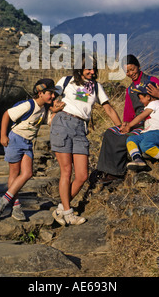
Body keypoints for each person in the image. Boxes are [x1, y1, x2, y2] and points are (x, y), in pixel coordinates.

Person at [50, 55, 121, 226]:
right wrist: (53, 107)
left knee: (82, 175)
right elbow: (50, 100)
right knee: (66, 171)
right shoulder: (66, 81)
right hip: (63, 123)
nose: (91, 71)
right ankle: (68, 213)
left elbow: (108, 109)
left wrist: (121, 127)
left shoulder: (96, 87)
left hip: (81, 128)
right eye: (88, 68)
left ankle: (60, 209)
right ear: (80, 68)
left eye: (94, 68)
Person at [0, 78, 64, 221]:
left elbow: (50, 122)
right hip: (15, 139)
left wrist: (56, 111)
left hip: (27, 143)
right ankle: (16, 206)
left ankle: (3, 200)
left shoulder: (44, 109)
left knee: (27, 173)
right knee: (14, 173)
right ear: (40, 93)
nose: (53, 96)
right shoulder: (28, 105)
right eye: (50, 93)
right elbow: (7, 114)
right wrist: (2, 135)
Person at [96, 54, 159, 184]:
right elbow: (128, 113)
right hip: (135, 123)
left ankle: (116, 173)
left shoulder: (152, 81)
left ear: (138, 67)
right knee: (110, 132)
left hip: (147, 124)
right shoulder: (130, 90)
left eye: (132, 69)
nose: (131, 73)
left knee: (122, 138)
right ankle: (104, 170)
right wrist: (125, 125)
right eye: (127, 71)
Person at [121, 82, 159, 173]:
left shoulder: (154, 103)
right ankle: (137, 159)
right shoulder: (150, 106)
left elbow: (141, 116)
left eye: (141, 98)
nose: (140, 101)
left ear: (148, 97)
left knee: (145, 145)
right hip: (147, 133)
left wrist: (129, 126)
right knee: (131, 139)